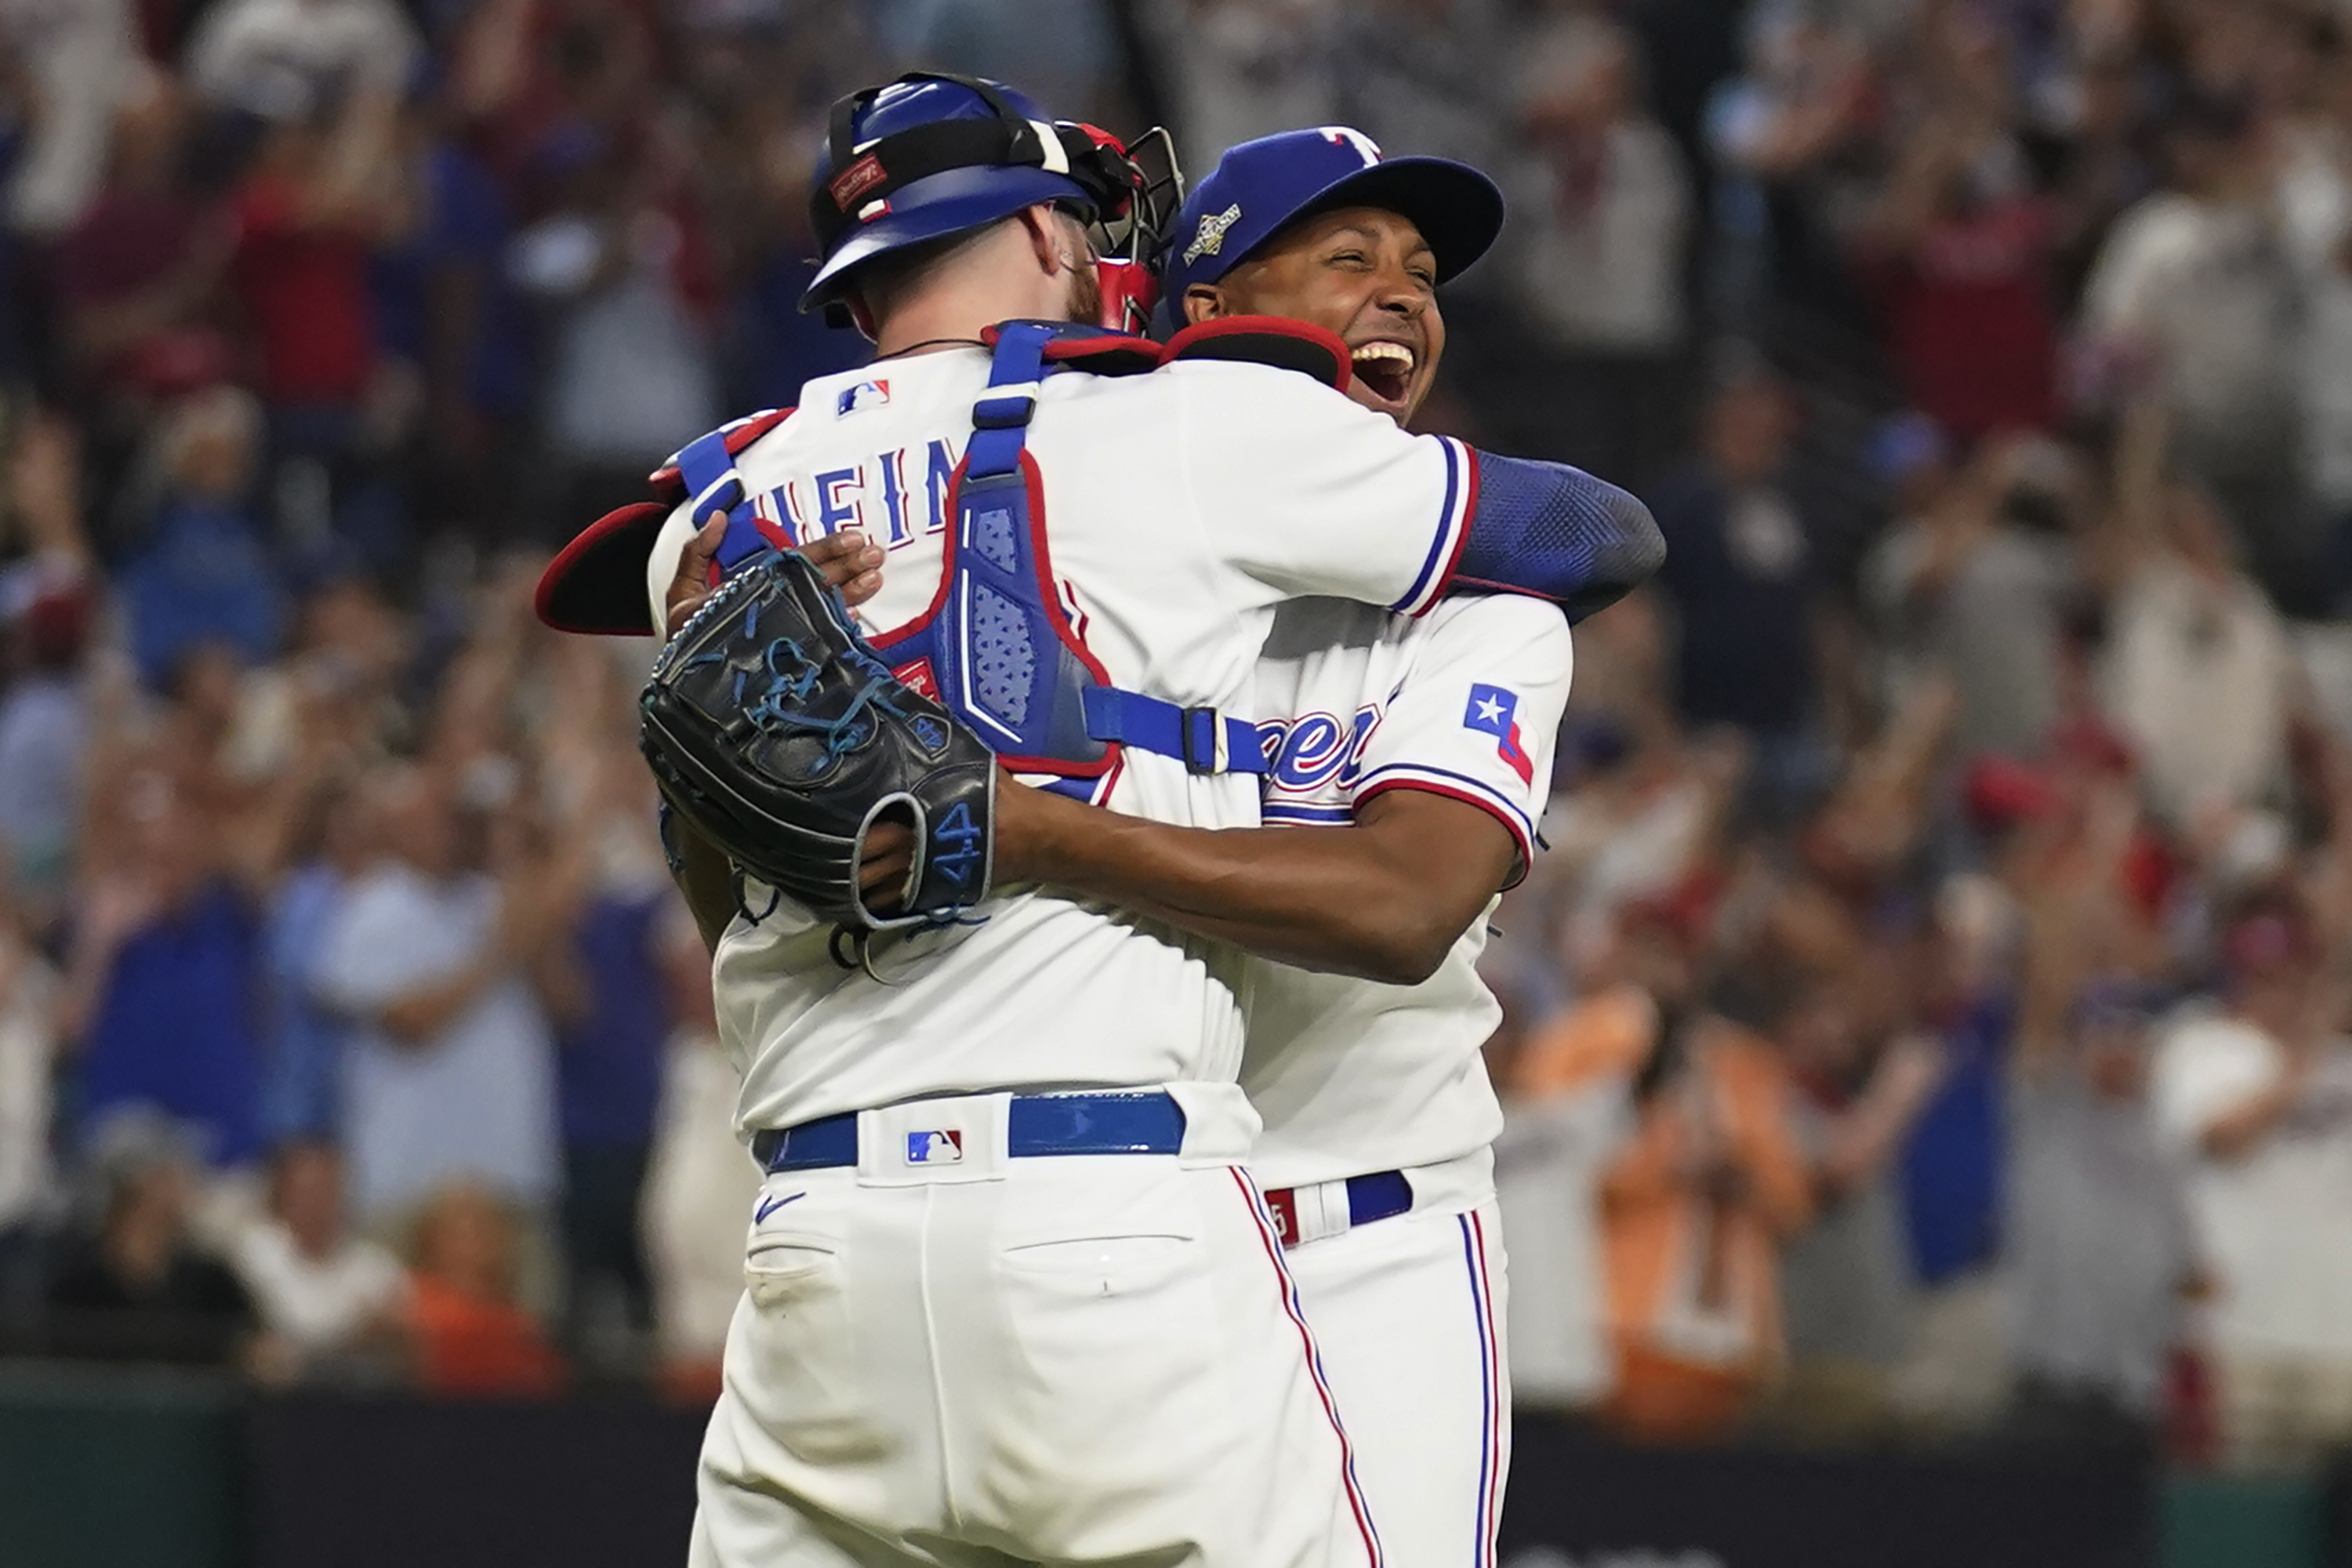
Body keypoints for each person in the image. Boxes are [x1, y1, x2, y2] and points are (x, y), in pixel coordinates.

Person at [538, 71, 1657, 1568]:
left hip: (1188, 1223)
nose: (1398, 296)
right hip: (1123, 1207)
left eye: (1422, 272)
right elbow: (1593, 524)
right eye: (1347, 260)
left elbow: (1405, 903)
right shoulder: (1171, 441)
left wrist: (1024, 824)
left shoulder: (727, 512)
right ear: (1168, 293)